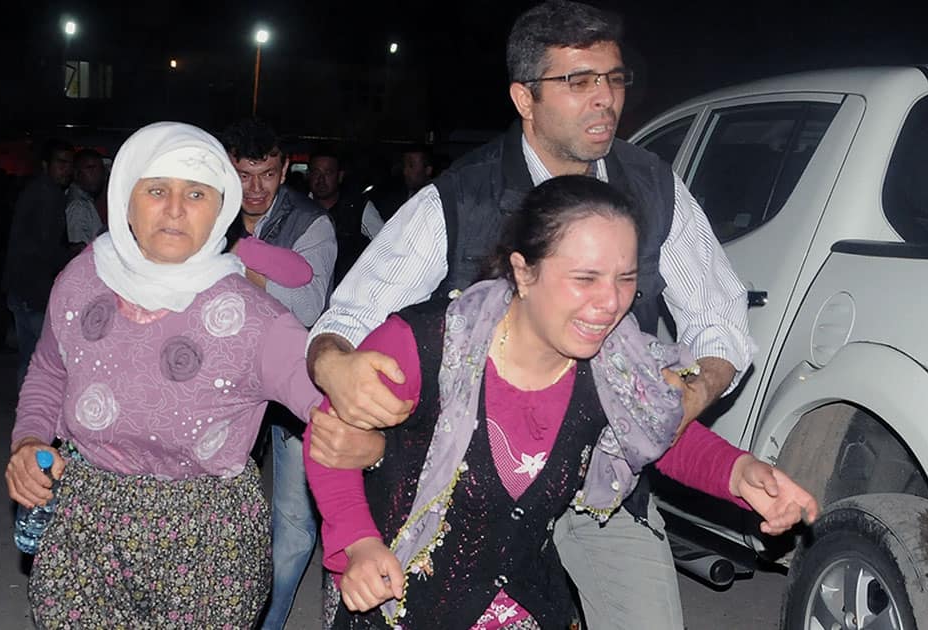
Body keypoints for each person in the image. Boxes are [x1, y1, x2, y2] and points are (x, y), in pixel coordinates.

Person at [305, 3, 758, 628]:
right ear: (525, 97)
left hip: (601, 467)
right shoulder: (457, 199)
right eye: (578, 81)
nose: (604, 99)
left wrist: (691, 391)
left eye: (613, 78)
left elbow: (721, 317)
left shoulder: (655, 188)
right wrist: (337, 372)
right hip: (469, 475)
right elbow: (349, 322)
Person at [306, 177, 817, 628]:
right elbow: (327, 440)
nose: (611, 302)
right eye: (585, 278)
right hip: (395, 595)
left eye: (625, 278)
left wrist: (740, 473)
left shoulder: (615, 368)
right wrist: (358, 541)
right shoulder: (427, 343)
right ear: (523, 273)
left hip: (522, 601)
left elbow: (658, 432)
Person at [4, 122, 323, 628]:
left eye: (196, 193)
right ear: (125, 197)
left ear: (220, 207)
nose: (175, 209)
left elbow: (331, 411)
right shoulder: (83, 279)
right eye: (156, 190)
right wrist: (28, 442)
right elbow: (48, 370)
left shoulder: (252, 317)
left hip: (207, 541)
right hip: (85, 525)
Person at [219, 118, 337, 629]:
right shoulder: (207, 211)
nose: (255, 189)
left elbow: (307, 302)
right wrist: (260, 274)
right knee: (216, 510)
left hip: (294, 384)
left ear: (286, 168)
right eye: (243, 175)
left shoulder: (313, 222)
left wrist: (237, 266)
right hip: (225, 385)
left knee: (293, 522)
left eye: (267, 173)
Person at [3, 138, 74, 390]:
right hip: (33, 289)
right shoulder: (47, 195)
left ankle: (27, 416)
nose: (66, 169)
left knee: (30, 356)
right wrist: (78, 255)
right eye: (61, 163)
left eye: (69, 164)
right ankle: (33, 418)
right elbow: (46, 249)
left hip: (23, 286)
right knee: (42, 361)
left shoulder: (40, 191)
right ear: (46, 165)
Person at [308, 147, 370, 285]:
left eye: (328, 173)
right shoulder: (297, 209)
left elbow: (386, 245)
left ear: (340, 176)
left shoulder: (359, 208)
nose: (321, 180)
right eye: (316, 172)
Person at [361, 146, 433, 239]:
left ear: (428, 170)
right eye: (405, 165)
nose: (406, 171)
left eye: (411, 165)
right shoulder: (394, 198)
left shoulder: (435, 203)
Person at [65, 148, 107, 250]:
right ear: (76, 173)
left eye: (100, 169)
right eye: (90, 168)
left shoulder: (87, 200)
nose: (97, 174)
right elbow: (78, 250)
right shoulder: (78, 206)